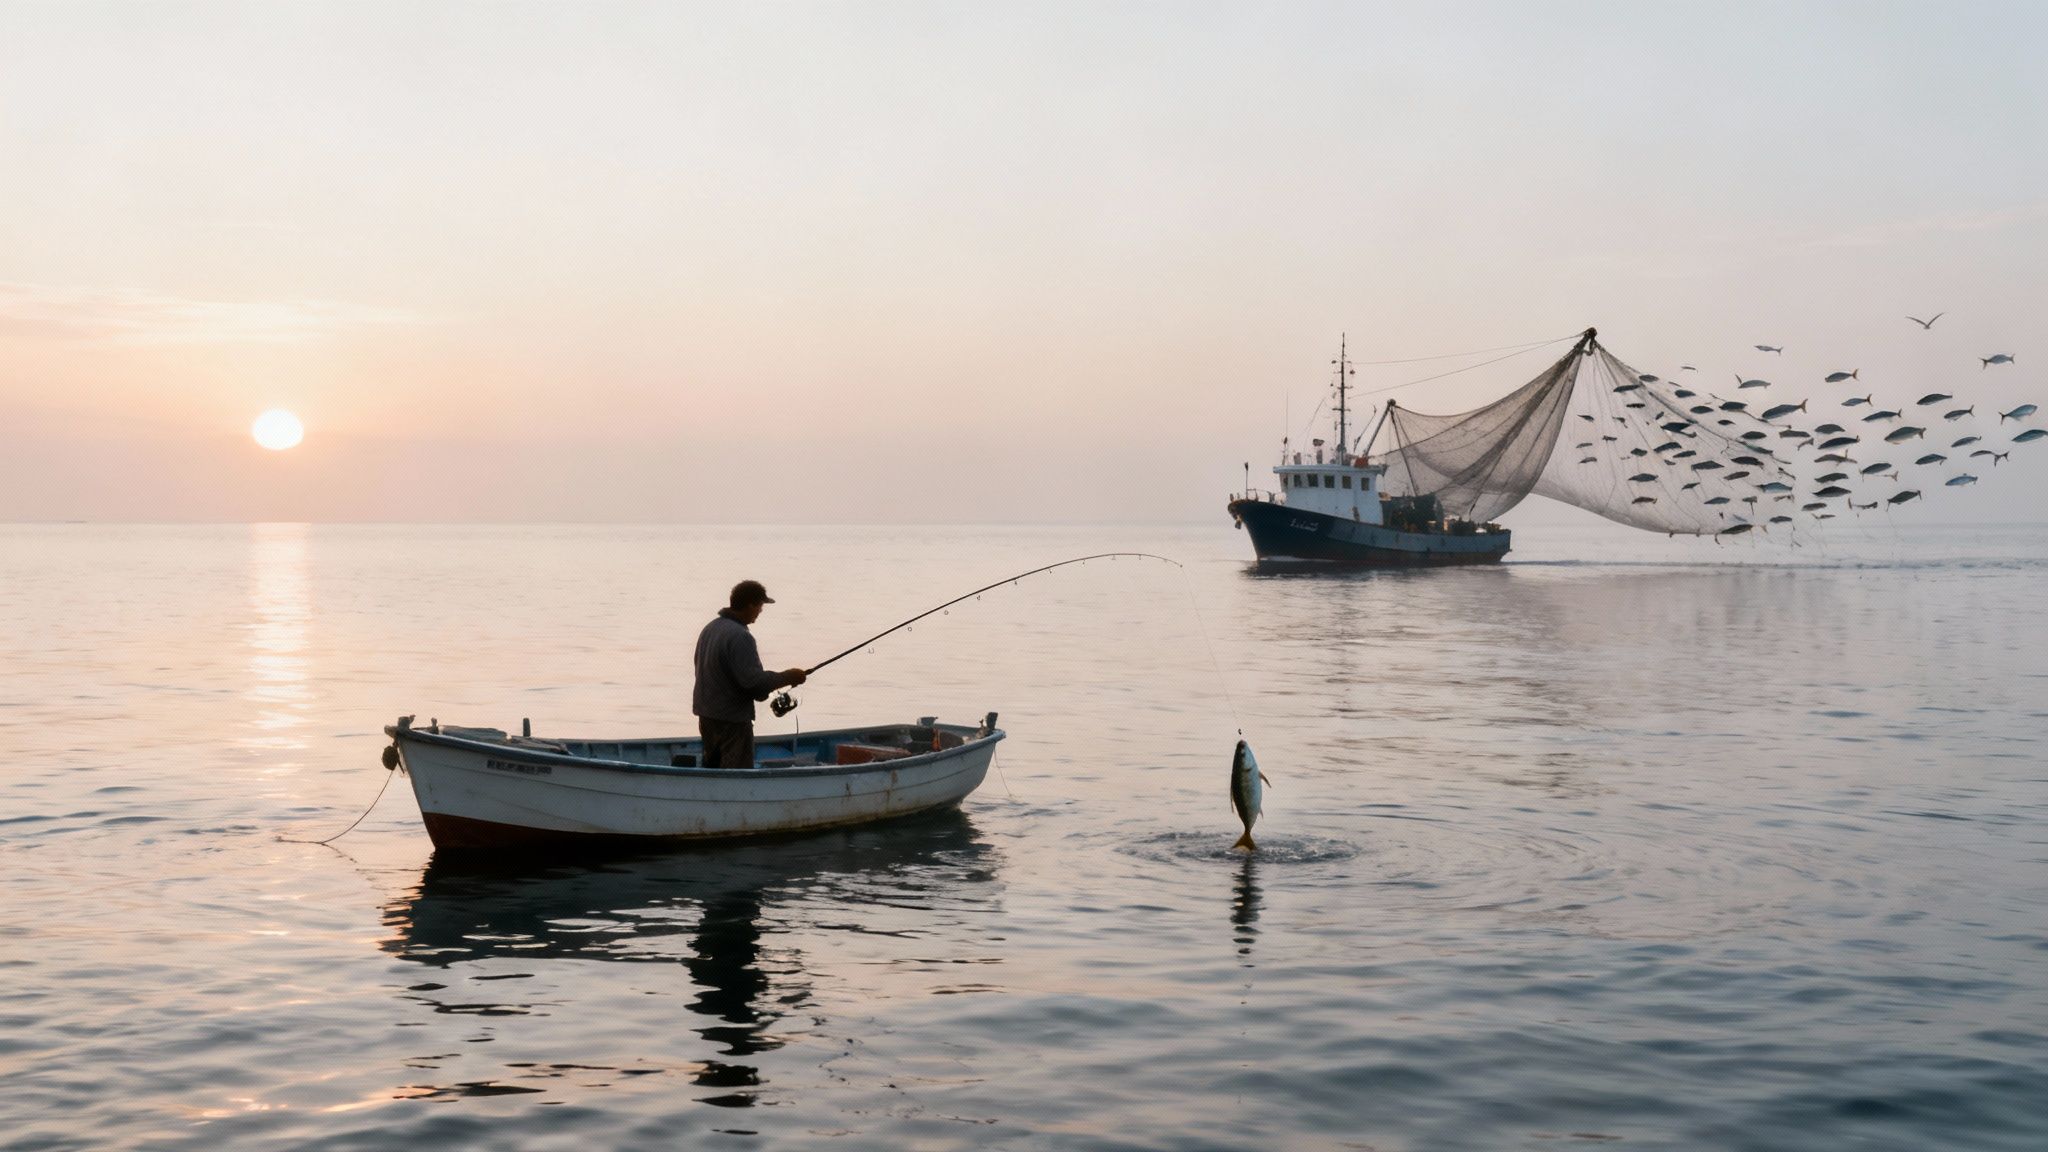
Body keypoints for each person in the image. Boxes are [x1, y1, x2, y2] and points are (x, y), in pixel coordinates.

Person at [692, 580, 807, 769]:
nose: (760, 611)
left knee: (712, 770)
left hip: (706, 715)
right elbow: (754, 684)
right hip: (732, 721)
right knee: (736, 774)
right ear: (750, 604)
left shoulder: (710, 628)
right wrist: (789, 677)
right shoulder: (740, 636)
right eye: (760, 605)